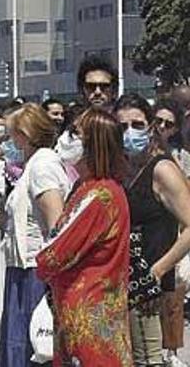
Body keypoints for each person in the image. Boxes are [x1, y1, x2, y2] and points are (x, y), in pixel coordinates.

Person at [0, 103, 70, 367]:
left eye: (11, 133)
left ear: (24, 134)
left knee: (33, 345)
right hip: (22, 268)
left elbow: (56, 224)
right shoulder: (32, 166)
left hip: (35, 272)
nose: (8, 140)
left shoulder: (42, 167)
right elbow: (23, 220)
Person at [36, 108, 132, 366]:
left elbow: (55, 255)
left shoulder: (99, 196)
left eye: (75, 132)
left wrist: (41, 259)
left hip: (88, 315)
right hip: (87, 311)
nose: (66, 137)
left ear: (95, 144)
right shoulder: (90, 188)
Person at [115, 94, 190, 366]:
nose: (130, 133)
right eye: (122, 127)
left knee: (150, 360)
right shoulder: (124, 171)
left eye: (137, 124)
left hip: (151, 292)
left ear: (150, 127)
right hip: (127, 289)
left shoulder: (162, 170)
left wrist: (157, 271)